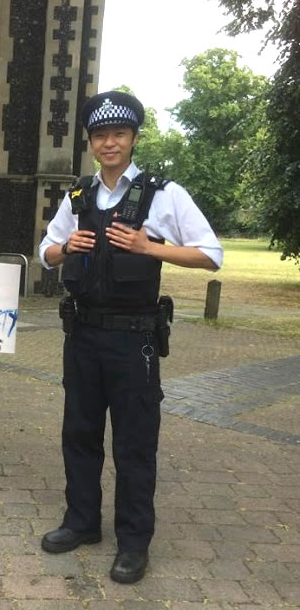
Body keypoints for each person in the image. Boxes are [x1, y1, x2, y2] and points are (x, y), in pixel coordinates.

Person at [38, 90, 223, 584]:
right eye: (100, 135)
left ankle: (134, 542)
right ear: (92, 142)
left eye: (119, 133)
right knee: (78, 434)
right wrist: (62, 250)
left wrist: (149, 247)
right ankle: (81, 522)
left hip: (133, 342)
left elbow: (211, 254)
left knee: (135, 444)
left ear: (134, 138)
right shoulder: (78, 196)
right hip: (81, 337)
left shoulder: (164, 195)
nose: (109, 143)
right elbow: (45, 251)